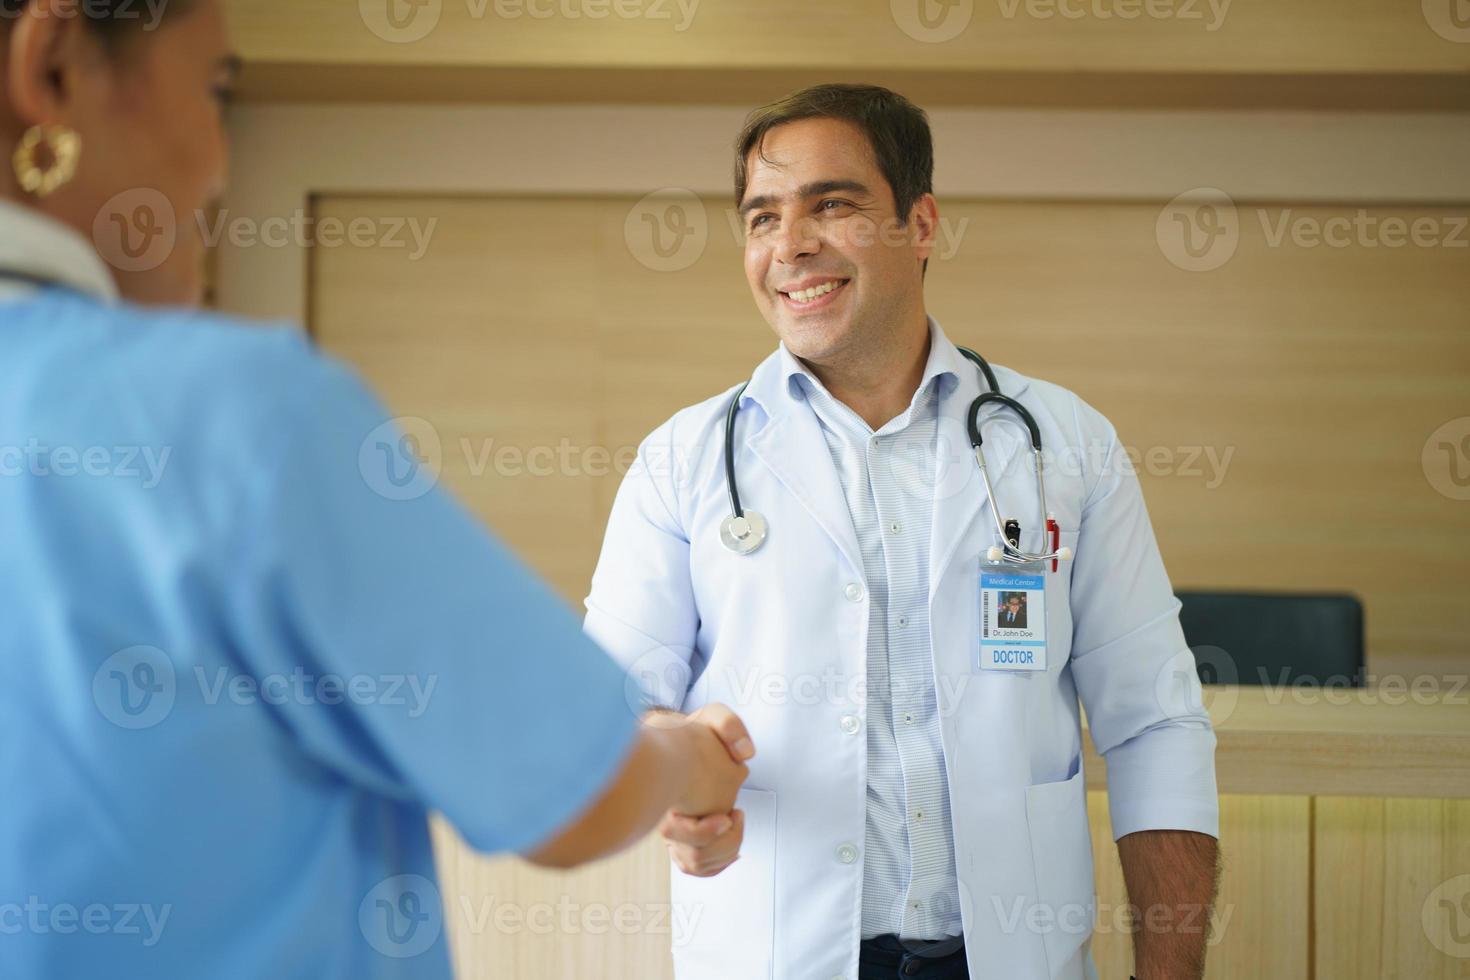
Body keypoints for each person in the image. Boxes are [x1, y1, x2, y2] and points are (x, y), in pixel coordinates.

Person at [0, 2, 751, 978]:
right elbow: (579, 786)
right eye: (215, 89)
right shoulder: (239, 416)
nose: (220, 166)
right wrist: (694, 754)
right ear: (53, 66)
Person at [586, 84, 1220, 980]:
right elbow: (611, 709)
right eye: (762, 217)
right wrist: (673, 771)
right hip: (777, 955)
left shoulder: (1064, 442)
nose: (790, 243)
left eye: (831, 204)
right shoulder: (682, 458)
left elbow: (1155, 725)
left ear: (920, 225)